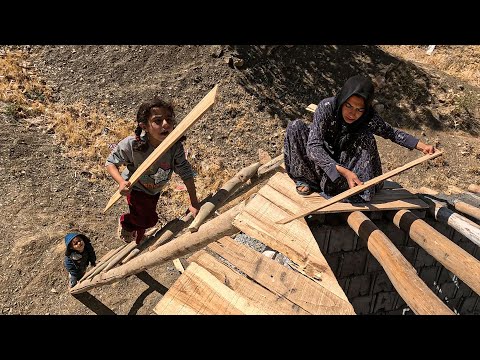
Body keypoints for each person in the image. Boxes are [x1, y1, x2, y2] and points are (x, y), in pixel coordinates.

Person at [284, 74, 436, 202]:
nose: (352, 114)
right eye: (348, 106)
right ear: (342, 100)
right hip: (322, 160)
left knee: (366, 136)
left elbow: (392, 133)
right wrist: (340, 170)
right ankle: (306, 180)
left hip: (347, 162)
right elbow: (313, 146)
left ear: (365, 109)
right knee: (295, 126)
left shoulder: (368, 118)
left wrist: (423, 146)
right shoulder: (327, 107)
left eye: (359, 109)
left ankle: (358, 188)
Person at [105, 97, 200, 244]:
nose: (166, 124)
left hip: (154, 190)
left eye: (169, 119)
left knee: (145, 215)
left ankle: (138, 236)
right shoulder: (132, 145)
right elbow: (111, 162)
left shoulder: (174, 148)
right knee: (149, 219)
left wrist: (194, 203)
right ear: (144, 126)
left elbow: (186, 173)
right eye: (157, 121)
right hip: (136, 188)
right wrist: (121, 182)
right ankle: (126, 223)